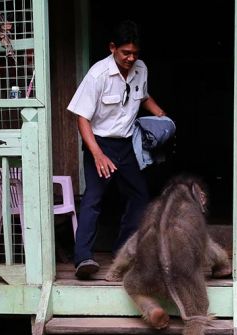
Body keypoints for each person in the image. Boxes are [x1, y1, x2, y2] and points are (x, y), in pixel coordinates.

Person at [67, 19, 166, 279]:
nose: (131, 58)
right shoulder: (98, 75)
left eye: (135, 53)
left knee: (140, 196)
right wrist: (98, 154)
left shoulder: (140, 68)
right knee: (94, 198)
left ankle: (122, 249)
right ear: (112, 48)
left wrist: (162, 117)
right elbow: (81, 118)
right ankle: (83, 258)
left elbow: (142, 96)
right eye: (125, 53)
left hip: (127, 143)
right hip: (99, 143)